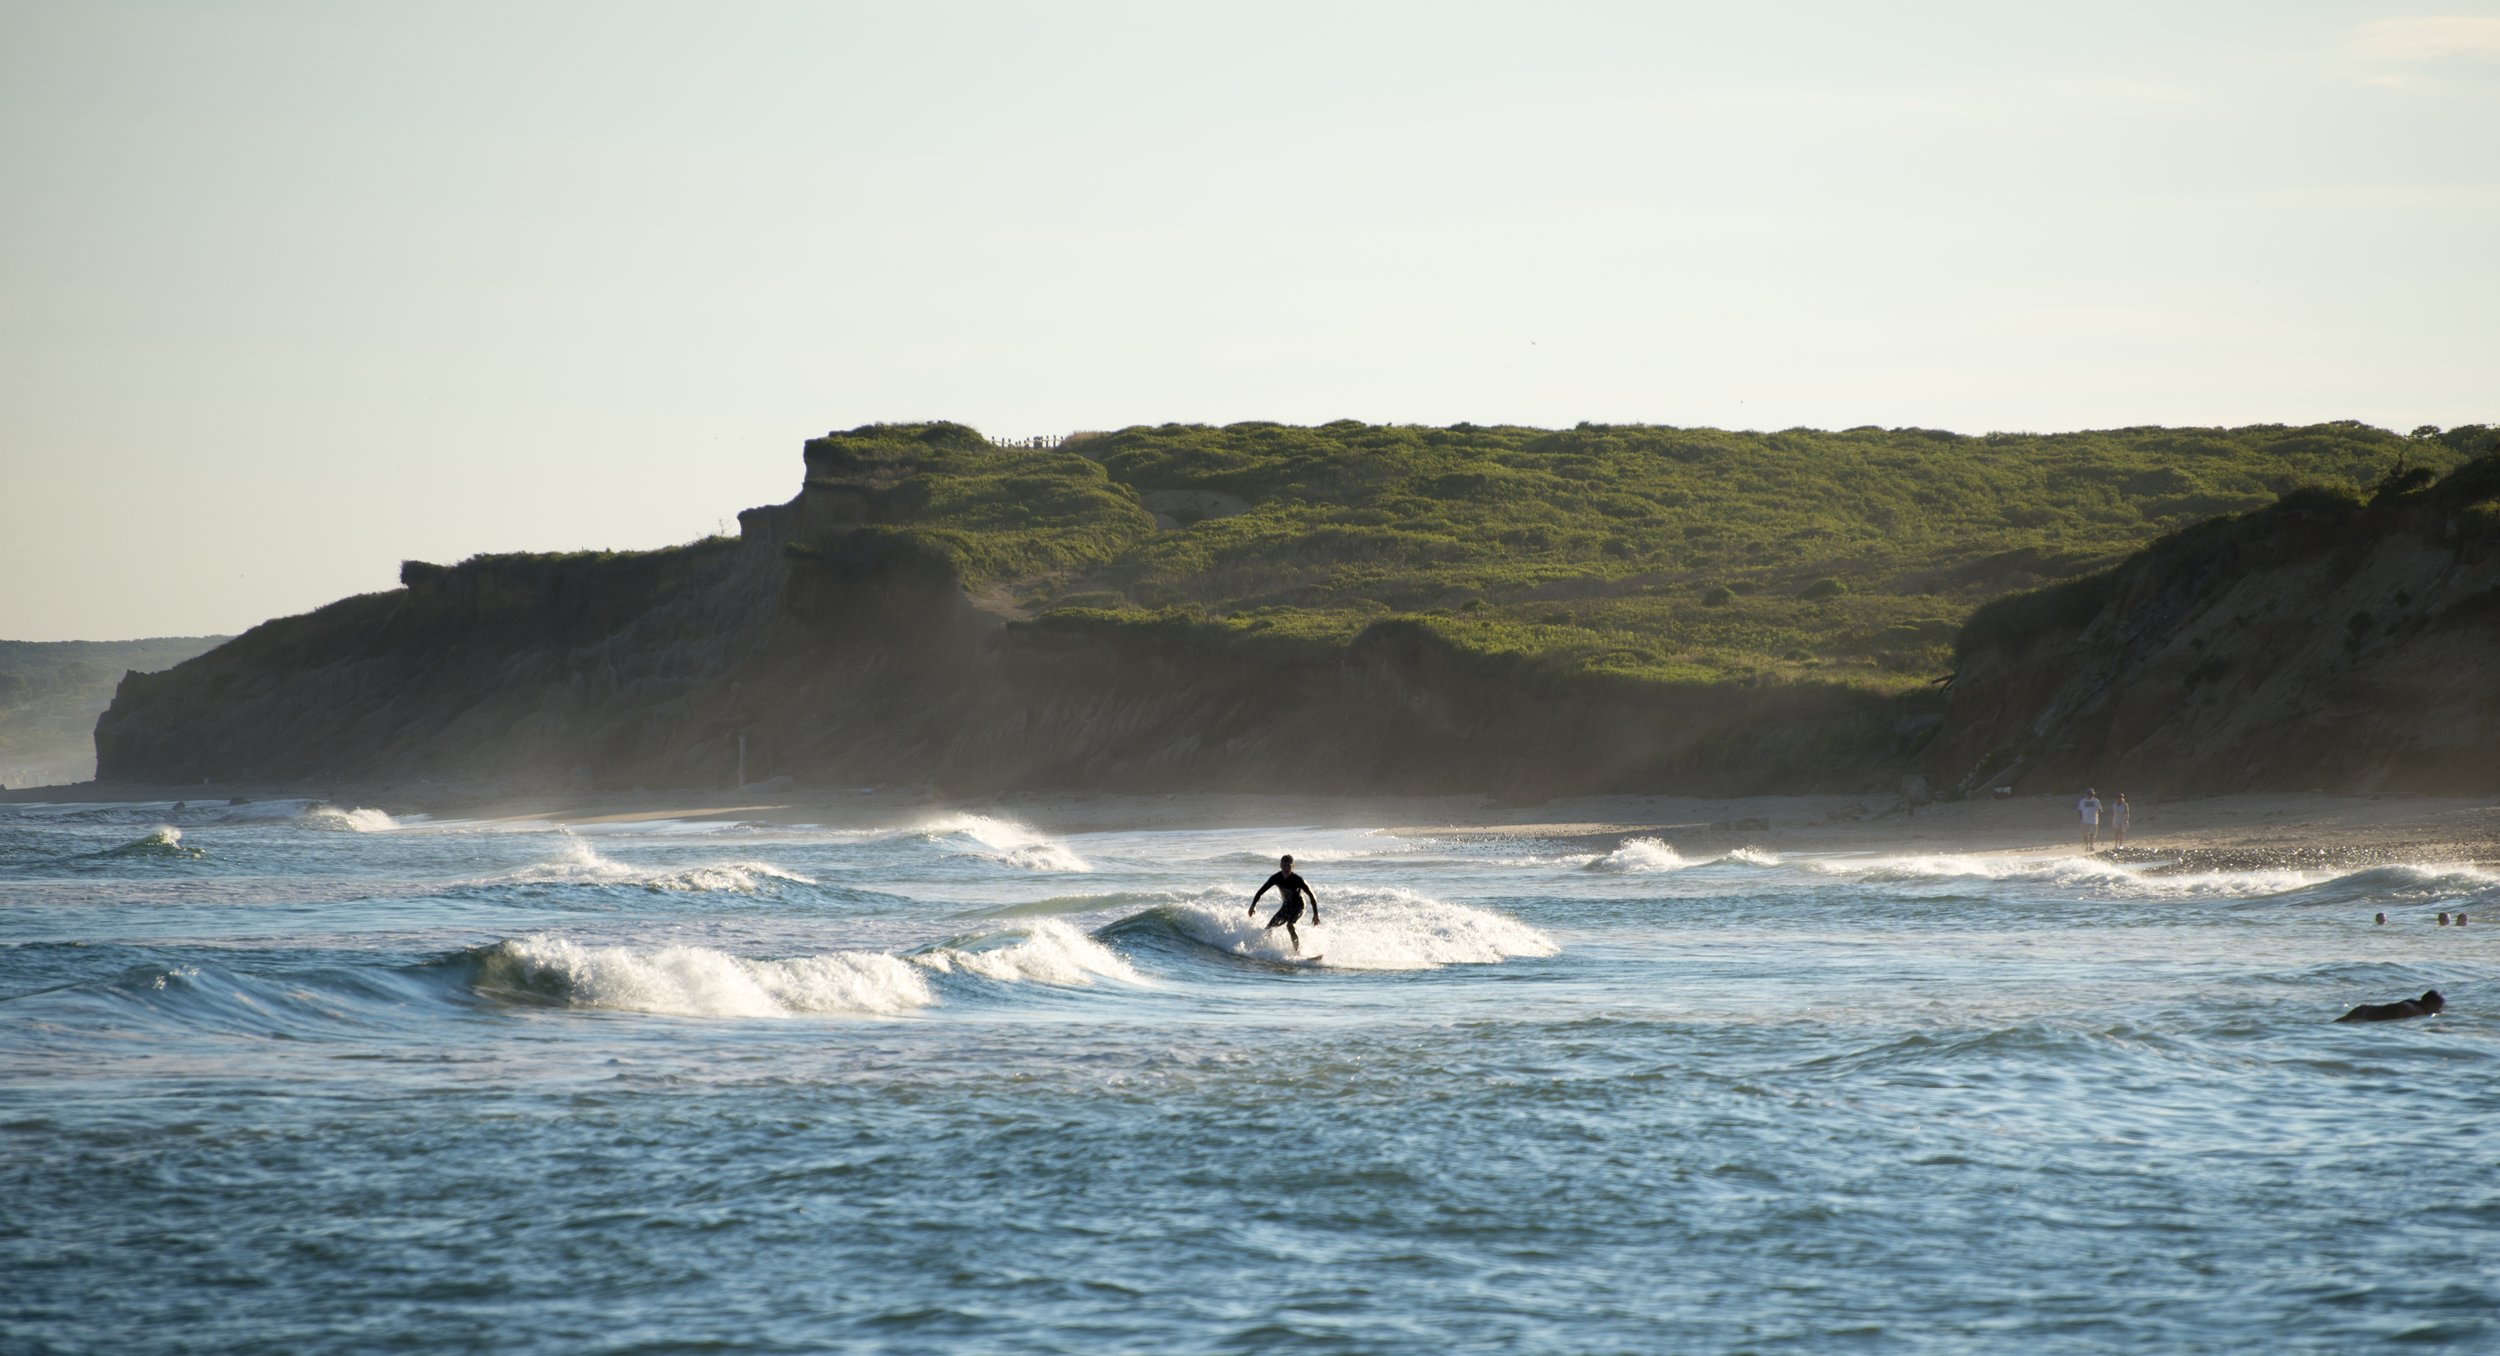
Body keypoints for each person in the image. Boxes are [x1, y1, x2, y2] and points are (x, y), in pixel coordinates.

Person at [1249, 853, 1320, 953]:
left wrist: (1315, 914)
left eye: (1289, 866)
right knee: (1269, 928)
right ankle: (1269, 949)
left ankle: (1297, 952)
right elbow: (1260, 892)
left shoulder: (1298, 880)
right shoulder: (1275, 878)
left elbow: (1312, 896)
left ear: (1293, 866)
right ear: (1280, 866)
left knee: (1290, 925)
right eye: (1284, 866)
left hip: (1299, 907)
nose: (1286, 868)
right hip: (1286, 907)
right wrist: (1253, 906)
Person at [2077, 788, 2103, 852]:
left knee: (2092, 834)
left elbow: (2100, 809)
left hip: (2094, 820)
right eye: (2089, 794)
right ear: (2086, 794)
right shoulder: (2083, 801)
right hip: (2084, 820)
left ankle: (2091, 846)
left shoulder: (2096, 801)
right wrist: (2081, 819)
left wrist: (2099, 811)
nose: (2090, 795)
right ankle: (2087, 846)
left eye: (2091, 794)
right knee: (2085, 835)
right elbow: (2080, 810)